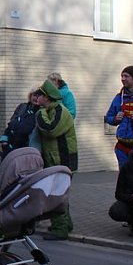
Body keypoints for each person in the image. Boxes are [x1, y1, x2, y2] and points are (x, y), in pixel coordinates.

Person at [33, 79, 78, 241]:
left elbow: (50, 130)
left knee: (57, 194)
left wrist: (41, 113)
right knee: (60, 193)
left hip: (63, 160)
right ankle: (65, 223)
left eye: (40, 95)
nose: (37, 98)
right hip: (56, 159)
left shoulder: (60, 111)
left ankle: (60, 229)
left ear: (47, 97)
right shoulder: (53, 110)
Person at [0, 88, 40, 154]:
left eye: (39, 96)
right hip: (9, 147)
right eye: (35, 95)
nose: (36, 98)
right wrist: (4, 140)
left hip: (26, 150)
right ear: (30, 96)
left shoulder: (41, 112)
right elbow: (11, 123)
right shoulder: (22, 107)